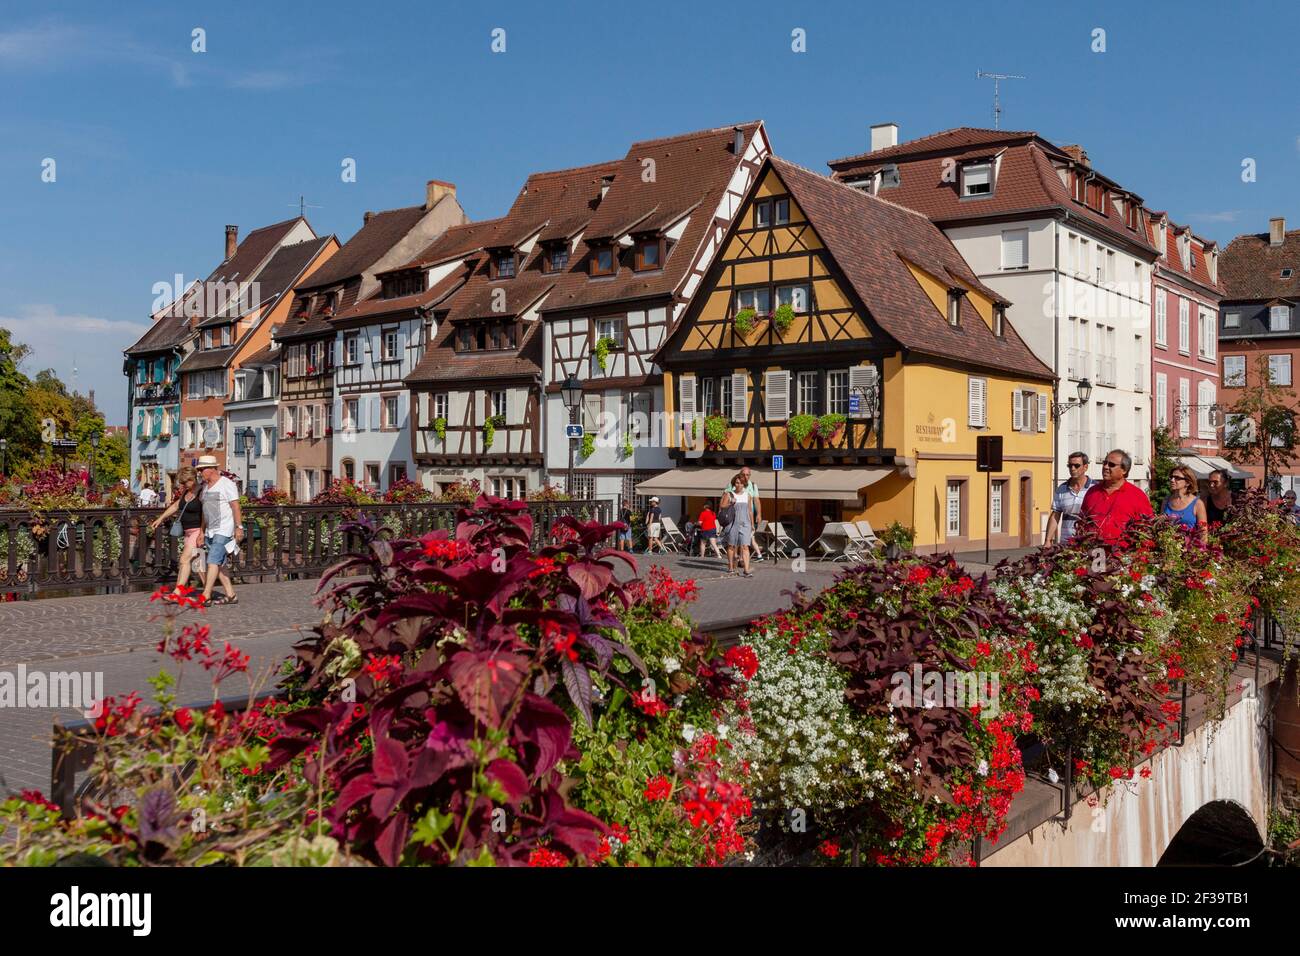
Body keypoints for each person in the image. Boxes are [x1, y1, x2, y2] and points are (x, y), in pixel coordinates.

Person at [148, 467, 205, 597]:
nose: (183, 485)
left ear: (192, 479)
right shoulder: (187, 491)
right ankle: (207, 591)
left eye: (185, 482)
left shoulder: (201, 492)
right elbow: (175, 506)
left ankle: (177, 592)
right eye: (182, 483)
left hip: (197, 530)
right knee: (198, 563)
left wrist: (202, 532)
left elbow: (206, 514)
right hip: (188, 531)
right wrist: (161, 518)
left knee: (184, 560)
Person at [1079, 449, 1154, 546]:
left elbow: (1147, 529)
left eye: (1111, 465)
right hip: (1093, 555)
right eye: (1105, 463)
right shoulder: (1092, 492)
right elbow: (1082, 524)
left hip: (1123, 556)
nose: (1106, 467)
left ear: (1124, 470)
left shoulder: (1137, 495)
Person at [196, 455, 244, 606]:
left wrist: (239, 527)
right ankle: (231, 595)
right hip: (210, 530)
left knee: (212, 561)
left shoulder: (226, 484)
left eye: (202, 469)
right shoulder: (205, 487)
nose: (200, 472)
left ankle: (206, 595)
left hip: (224, 529)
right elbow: (205, 511)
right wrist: (202, 531)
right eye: (200, 469)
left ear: (212, 469)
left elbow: (235, 506)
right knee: (220, 564)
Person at [1045, 451, 1096, 545]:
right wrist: (1048, 540)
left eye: (1076, 465)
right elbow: (1055, 515)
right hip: (1066, 543)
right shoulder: (1062, 489)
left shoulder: (1095, 488)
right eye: (1070, 465)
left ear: (1085, 467)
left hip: (1088, 542)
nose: (1072, 468)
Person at [722, 466, 764, 562]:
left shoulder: (753, 485)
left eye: (747, 475)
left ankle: (741, 559)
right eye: (743, 474)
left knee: (744, 539)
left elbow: (756, 500)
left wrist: (759, 514)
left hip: (747, 516)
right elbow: (724, 497)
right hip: (733, 516)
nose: (745, 476)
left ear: (750, 475)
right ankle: (735, 557)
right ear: (740, 474)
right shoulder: (733, 484)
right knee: (735, 539)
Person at [1161, 464, 1208, 544]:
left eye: (1177, 478)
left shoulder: (1197, 504)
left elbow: (1203, 533)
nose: (1172, 480)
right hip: (1168, 549)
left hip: (1189, 551)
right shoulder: (1166, 501)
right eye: (1171, 477)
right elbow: (1160, 527)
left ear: (1188, 482)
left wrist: (1201, 552)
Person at [721, 474, 753, 577]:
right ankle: (730, 567)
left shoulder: (747, 495)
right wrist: (731, 503)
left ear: (744, 484)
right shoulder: (729, 494)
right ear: (734, 484)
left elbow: (749, 510)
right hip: (732, 523)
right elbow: (722, 506)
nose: (738, 485)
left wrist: (752, 524)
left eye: (741, 483)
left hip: (745, 523)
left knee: (745, 546)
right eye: (736, 483)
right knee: (731, 546)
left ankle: (746, 570)